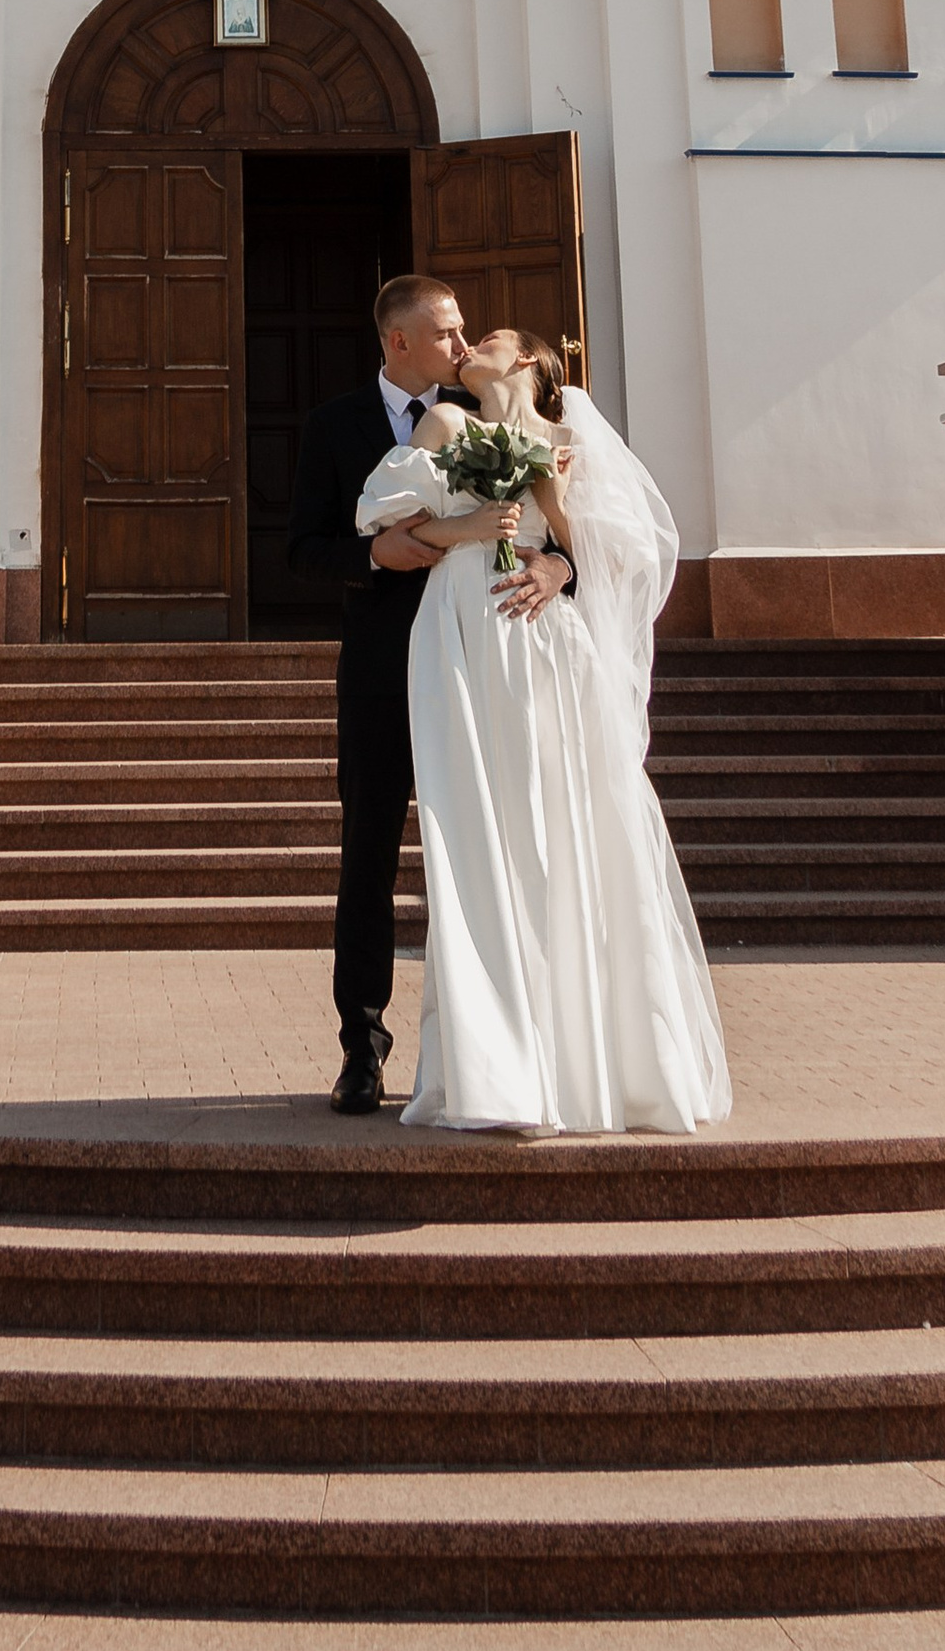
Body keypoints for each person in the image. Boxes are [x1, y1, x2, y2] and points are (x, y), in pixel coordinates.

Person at [358, 328, 731, 1136]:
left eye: (485, 336)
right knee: (477, 838)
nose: (466, 344)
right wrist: (475, 527)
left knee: (559, 831)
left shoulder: (569, 442)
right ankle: (493, 1068)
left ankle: (579, 1063)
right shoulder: (446, 429)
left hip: (543, 645)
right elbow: (386, 531)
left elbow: (606, 557)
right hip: (458, 630)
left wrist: (552, 540)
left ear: (528, 360)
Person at [285, 274, 576, 1115]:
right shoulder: (332, 427)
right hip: (383, 671)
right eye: (445, 332)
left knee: (494, 847)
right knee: (369, 854)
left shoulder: (491, 416)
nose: (461, 343)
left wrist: (558, 567)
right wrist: (376, 559)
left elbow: (563, 537)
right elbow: (302, 549)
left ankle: (501, 1045)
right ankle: (362, 1048)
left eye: (462, 331)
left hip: (481, 666)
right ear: (398, 340)